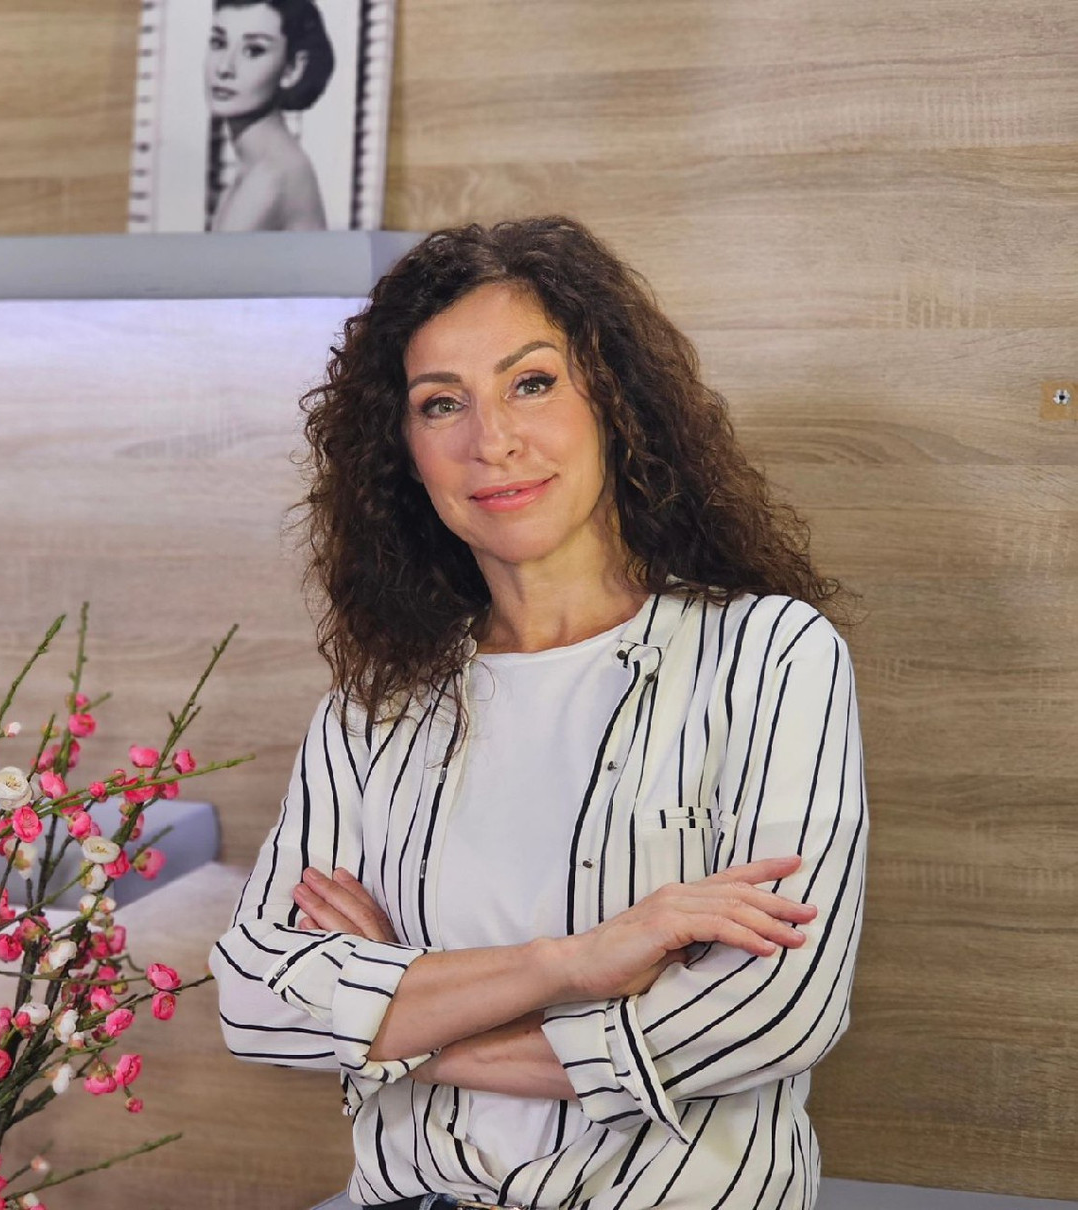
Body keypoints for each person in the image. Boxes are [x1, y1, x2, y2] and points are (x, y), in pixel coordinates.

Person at [210, 217, 868, 1209]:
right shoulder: (374, 708)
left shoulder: (769, 654)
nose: (493, 441)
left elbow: (774, 1015)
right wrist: (573, 964)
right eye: (442, 403)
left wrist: (401, 1024)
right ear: (404, 453)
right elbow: (256, 1002)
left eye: (531, 382)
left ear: (613, 399)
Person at [204, 0, 333, 232]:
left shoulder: (271, 179)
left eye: (253, 50)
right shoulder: (259, 166)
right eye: (219, 43)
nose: (224, 67)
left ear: (292, 68)